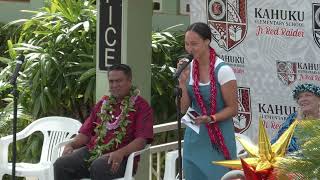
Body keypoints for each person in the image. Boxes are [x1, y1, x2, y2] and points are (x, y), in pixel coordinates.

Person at [53, 64, 153, 180]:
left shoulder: (142, 106)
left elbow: (141, 140)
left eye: (119, 81)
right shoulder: (103, 103)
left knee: (99, 166)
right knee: (62, 164)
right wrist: (71, 144)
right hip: (93, 151)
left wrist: (120, 152)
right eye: (111, 81)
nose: (114, 85)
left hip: (122, 158)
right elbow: (86, 133)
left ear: (129, 81)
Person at [178, 22, 238, 179]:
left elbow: (233, 108)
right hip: (195, 137)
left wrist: (211, 118)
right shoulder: (188, 69)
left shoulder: (223, 70)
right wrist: (182, 83)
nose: (189, 49)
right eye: (187, 44)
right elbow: (183, 109)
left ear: (207, 41)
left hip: (218, 137)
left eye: (194, 44)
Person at [271, 83, 320, 152]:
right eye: (299, 97)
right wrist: (298, 121)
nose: (302, 99)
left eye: (308, 95)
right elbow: (280, 140)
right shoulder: (292, 118)